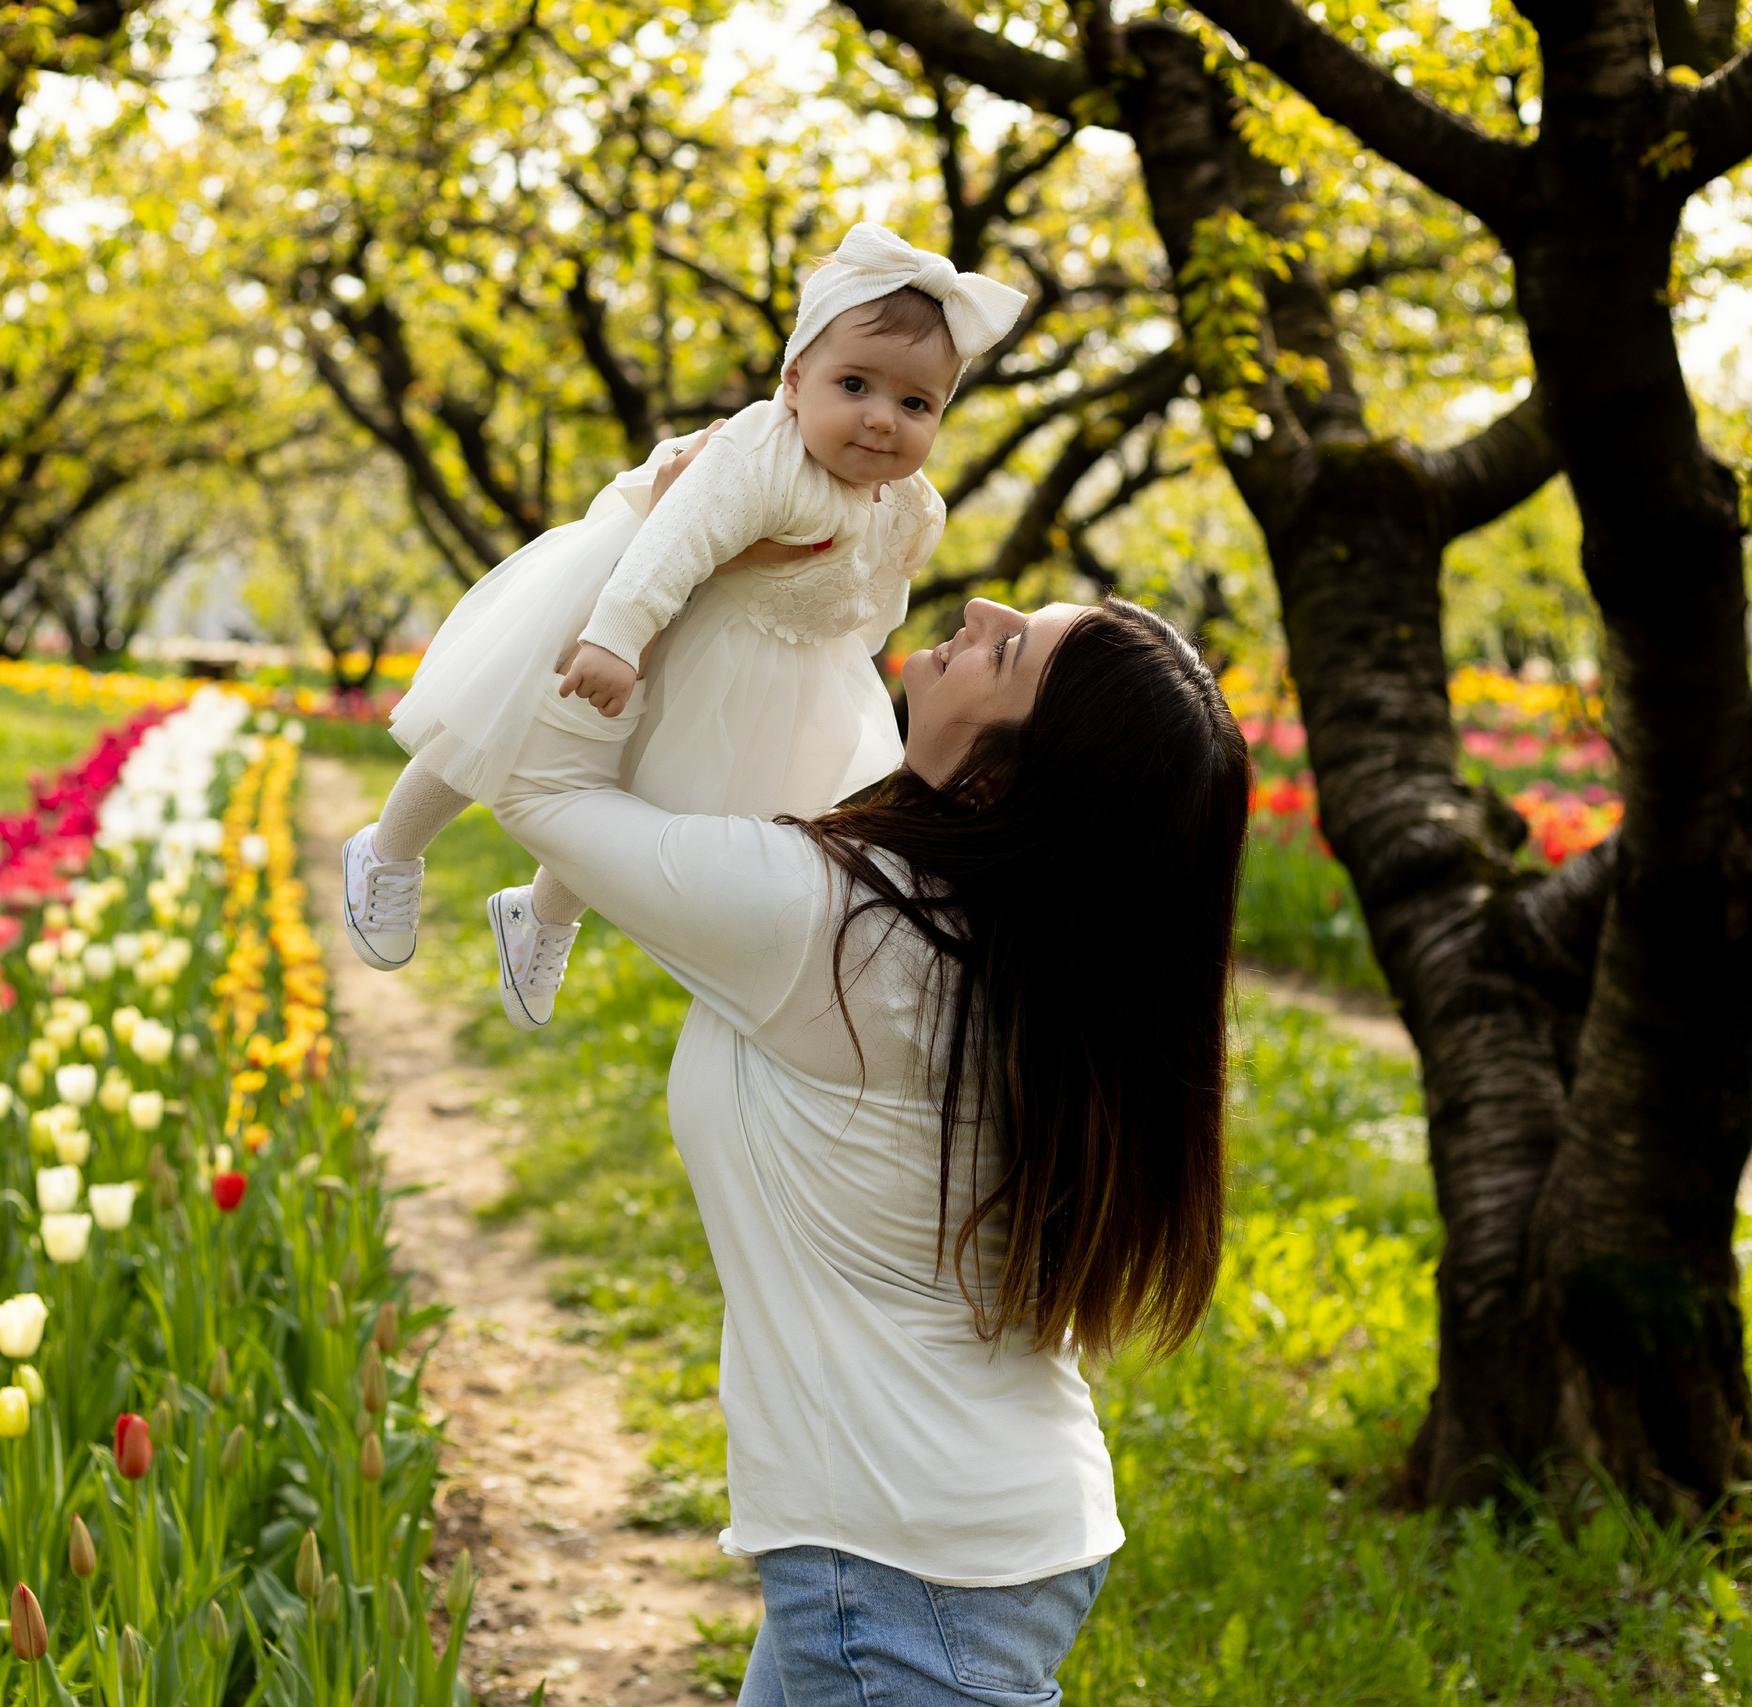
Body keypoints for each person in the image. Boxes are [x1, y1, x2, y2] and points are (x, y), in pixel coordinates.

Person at [485, 553, 1253, 1703]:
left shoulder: (830, 923)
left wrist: (645, 548)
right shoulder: (1015, 946)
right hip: (954, 1536)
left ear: (1004, 786)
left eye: (1009, 652)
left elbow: (531, 784)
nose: (980, 609)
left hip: (900, 1568)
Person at [339, 223, 1026, 1028]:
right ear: (796, 379)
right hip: (635, 605)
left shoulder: (910, 501)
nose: (882, 420)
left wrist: (855, 651)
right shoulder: (761, 458)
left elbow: (879, 581)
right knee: (498, 729)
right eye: (855, 386)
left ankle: (542, 915)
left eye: (916, 403)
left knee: (632, 797)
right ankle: (387, 849)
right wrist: (616, 635)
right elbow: (675, 536)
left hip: (756, 660)